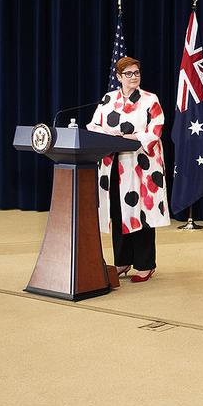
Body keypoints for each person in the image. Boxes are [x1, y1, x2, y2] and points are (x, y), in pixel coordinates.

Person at [87, 57, 169, 282]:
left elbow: (155, 130)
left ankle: (145, 264)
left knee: (139, 212)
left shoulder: (150, 100)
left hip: (140, 166)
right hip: (113, 165)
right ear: (119, 77)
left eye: (137, 73)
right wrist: (108, 136)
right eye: (129, 74)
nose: (134, 77)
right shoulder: (108, 100)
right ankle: (122, 260)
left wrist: (130, 137)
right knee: (118, 211)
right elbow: (94, 126)